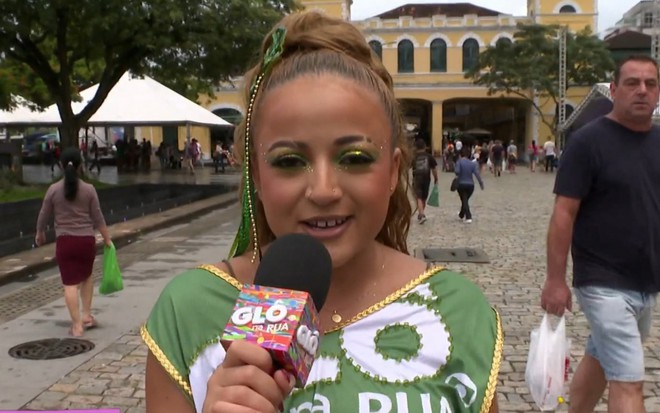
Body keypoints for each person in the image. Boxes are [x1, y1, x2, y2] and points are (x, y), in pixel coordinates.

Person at [142, 11, 501, 413]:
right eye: (290, 162)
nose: (324, 190)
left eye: (355, 157)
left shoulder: (458, 312)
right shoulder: (188, 309)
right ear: (256, 176)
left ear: (393, 171)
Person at [542, 55, 660, 413]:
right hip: (602, 281)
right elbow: (564, 213)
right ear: (613, 90)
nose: (642, 90)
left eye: (650, 84)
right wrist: (555, 280)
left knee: (600, 357)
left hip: (646, 281)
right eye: (632, 83)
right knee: (628, 381)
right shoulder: (588, 142)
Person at [35, 147, 112, 337]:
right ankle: (86, 315)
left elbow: (44, 214)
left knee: (69, 283)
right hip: (86, 241)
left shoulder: (53, 190)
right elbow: (98, 217)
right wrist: (108, 239)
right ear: (80, 166)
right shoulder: (89, 189)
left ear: (61, 165)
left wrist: (39, 232)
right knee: (86, 277)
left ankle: (77, 325)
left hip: (65, 242)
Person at [454, 147, 484, 223]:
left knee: (464, 200)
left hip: (461, 184)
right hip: (471, 185)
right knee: (465, 200)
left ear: (460, 155)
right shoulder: (472, 164)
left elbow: (457, 171)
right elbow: (477, 174)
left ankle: (468, 216)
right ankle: (461, 214)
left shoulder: (459, 162)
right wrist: (481, 183)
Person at [411, 138, 438, 224]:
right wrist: (436, 178)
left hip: (417, 178)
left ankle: (421, 214)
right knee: (423, 198)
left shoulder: (414, 157)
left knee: (418, 197)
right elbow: (434, 169)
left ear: (416, 147)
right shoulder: (429, 156)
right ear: (425, 147)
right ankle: (421, 214)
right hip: (426, 179)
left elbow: (407, 166)